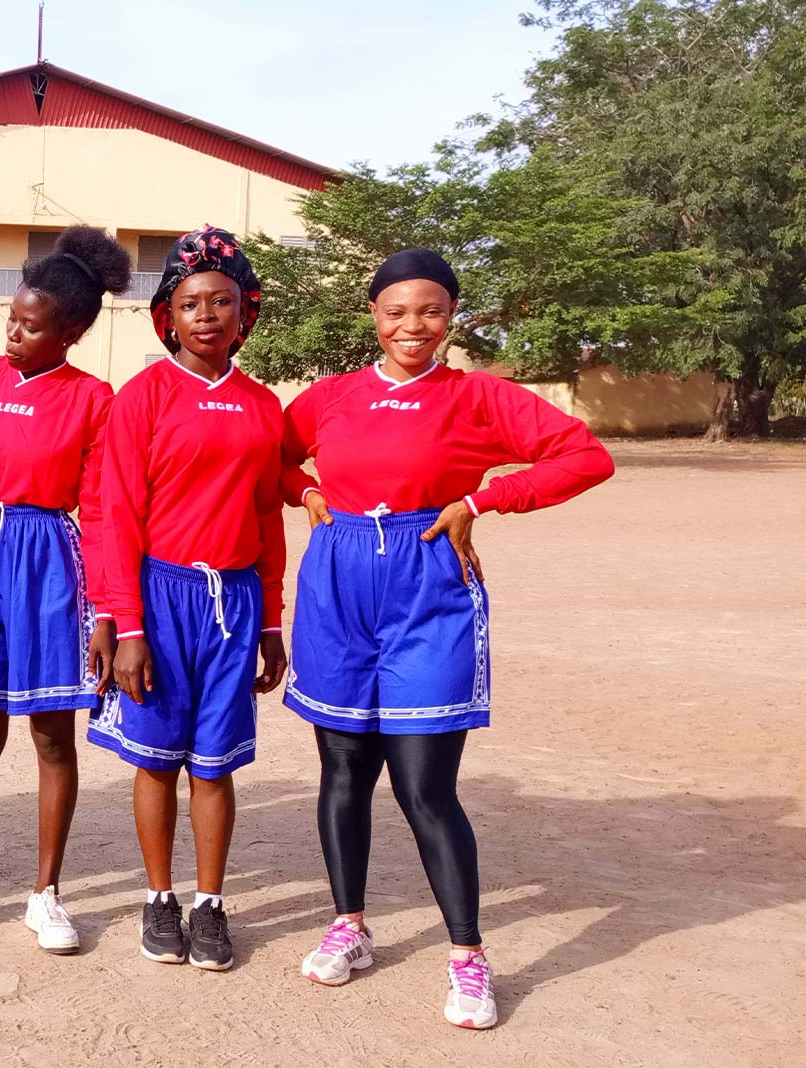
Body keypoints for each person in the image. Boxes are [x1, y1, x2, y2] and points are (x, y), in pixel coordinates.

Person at [283, 248, 614, 1029]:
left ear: (450, 316)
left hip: (428, 586)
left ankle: (468, 959)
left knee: (425, 785)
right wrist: (302, 487)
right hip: (339, 585)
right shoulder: (331, 397)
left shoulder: (480, 396)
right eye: (396, 310)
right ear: (373, 315)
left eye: (430, 310)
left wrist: (485, 498)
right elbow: (267, 458)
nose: (413, 325)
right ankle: (350, 925)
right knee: (343, 770)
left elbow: (586, 457)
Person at [0, 227, 128, 953]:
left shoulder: (94, 399)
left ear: (67, 332)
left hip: (50, 565)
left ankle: (46, 895)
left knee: (50, 733)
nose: (13, 333)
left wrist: (106, 611)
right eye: (10, 319)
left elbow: (101, 510)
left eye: (31, 326)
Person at [93, 226, 289, 972]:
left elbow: (268, 518)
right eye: (189, 302)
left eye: (221, 301)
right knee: (156, 760)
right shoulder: (141, 398)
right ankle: (159, 897)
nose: (206, 313)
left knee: (215, 765)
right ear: (167, 317)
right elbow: (117, 516)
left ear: (246, 313)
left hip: (233, 602)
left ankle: (210, 903)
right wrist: (128, 625)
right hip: (160, 596)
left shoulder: (262, 406)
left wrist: (271, 621)